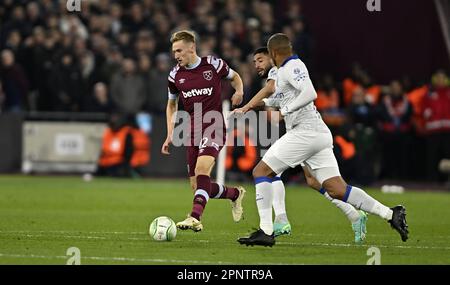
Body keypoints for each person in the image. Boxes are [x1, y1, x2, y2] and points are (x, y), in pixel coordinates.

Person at [237, 34, 409, 247]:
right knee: (336, 188)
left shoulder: (293, 65)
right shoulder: (284, 71)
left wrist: (285, 112)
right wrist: (253, 106)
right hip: (316, 133)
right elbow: (282, 97)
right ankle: (390, 213)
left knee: (261, 171)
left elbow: (310, 93)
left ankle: (266, 230)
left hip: (304, 132)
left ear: (273, 53)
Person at [232, 47, 368, 242]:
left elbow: (269, 90)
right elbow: (274, 103)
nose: (257, 65)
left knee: (269, 171)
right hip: (297, 129)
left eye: (260, 60)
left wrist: (247, 107)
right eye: (254, 62)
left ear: (272, 57)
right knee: (312, 181)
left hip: (304, 131)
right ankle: (354, 215)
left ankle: (280, 219)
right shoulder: (283, 73)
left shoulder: (277, 71)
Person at [161, 30, 246, 232]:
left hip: (214, 125)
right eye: (174, 52)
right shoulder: (174, 75)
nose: (176, 55)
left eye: (179, 50)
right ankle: (234, 194)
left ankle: (194, 217)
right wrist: (169, 133)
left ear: (192, 48)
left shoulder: (213, 64)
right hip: (192, 130)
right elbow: (171, 105)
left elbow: (235, 77)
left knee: (202, 170)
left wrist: (239, 91)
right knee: (198, 186)